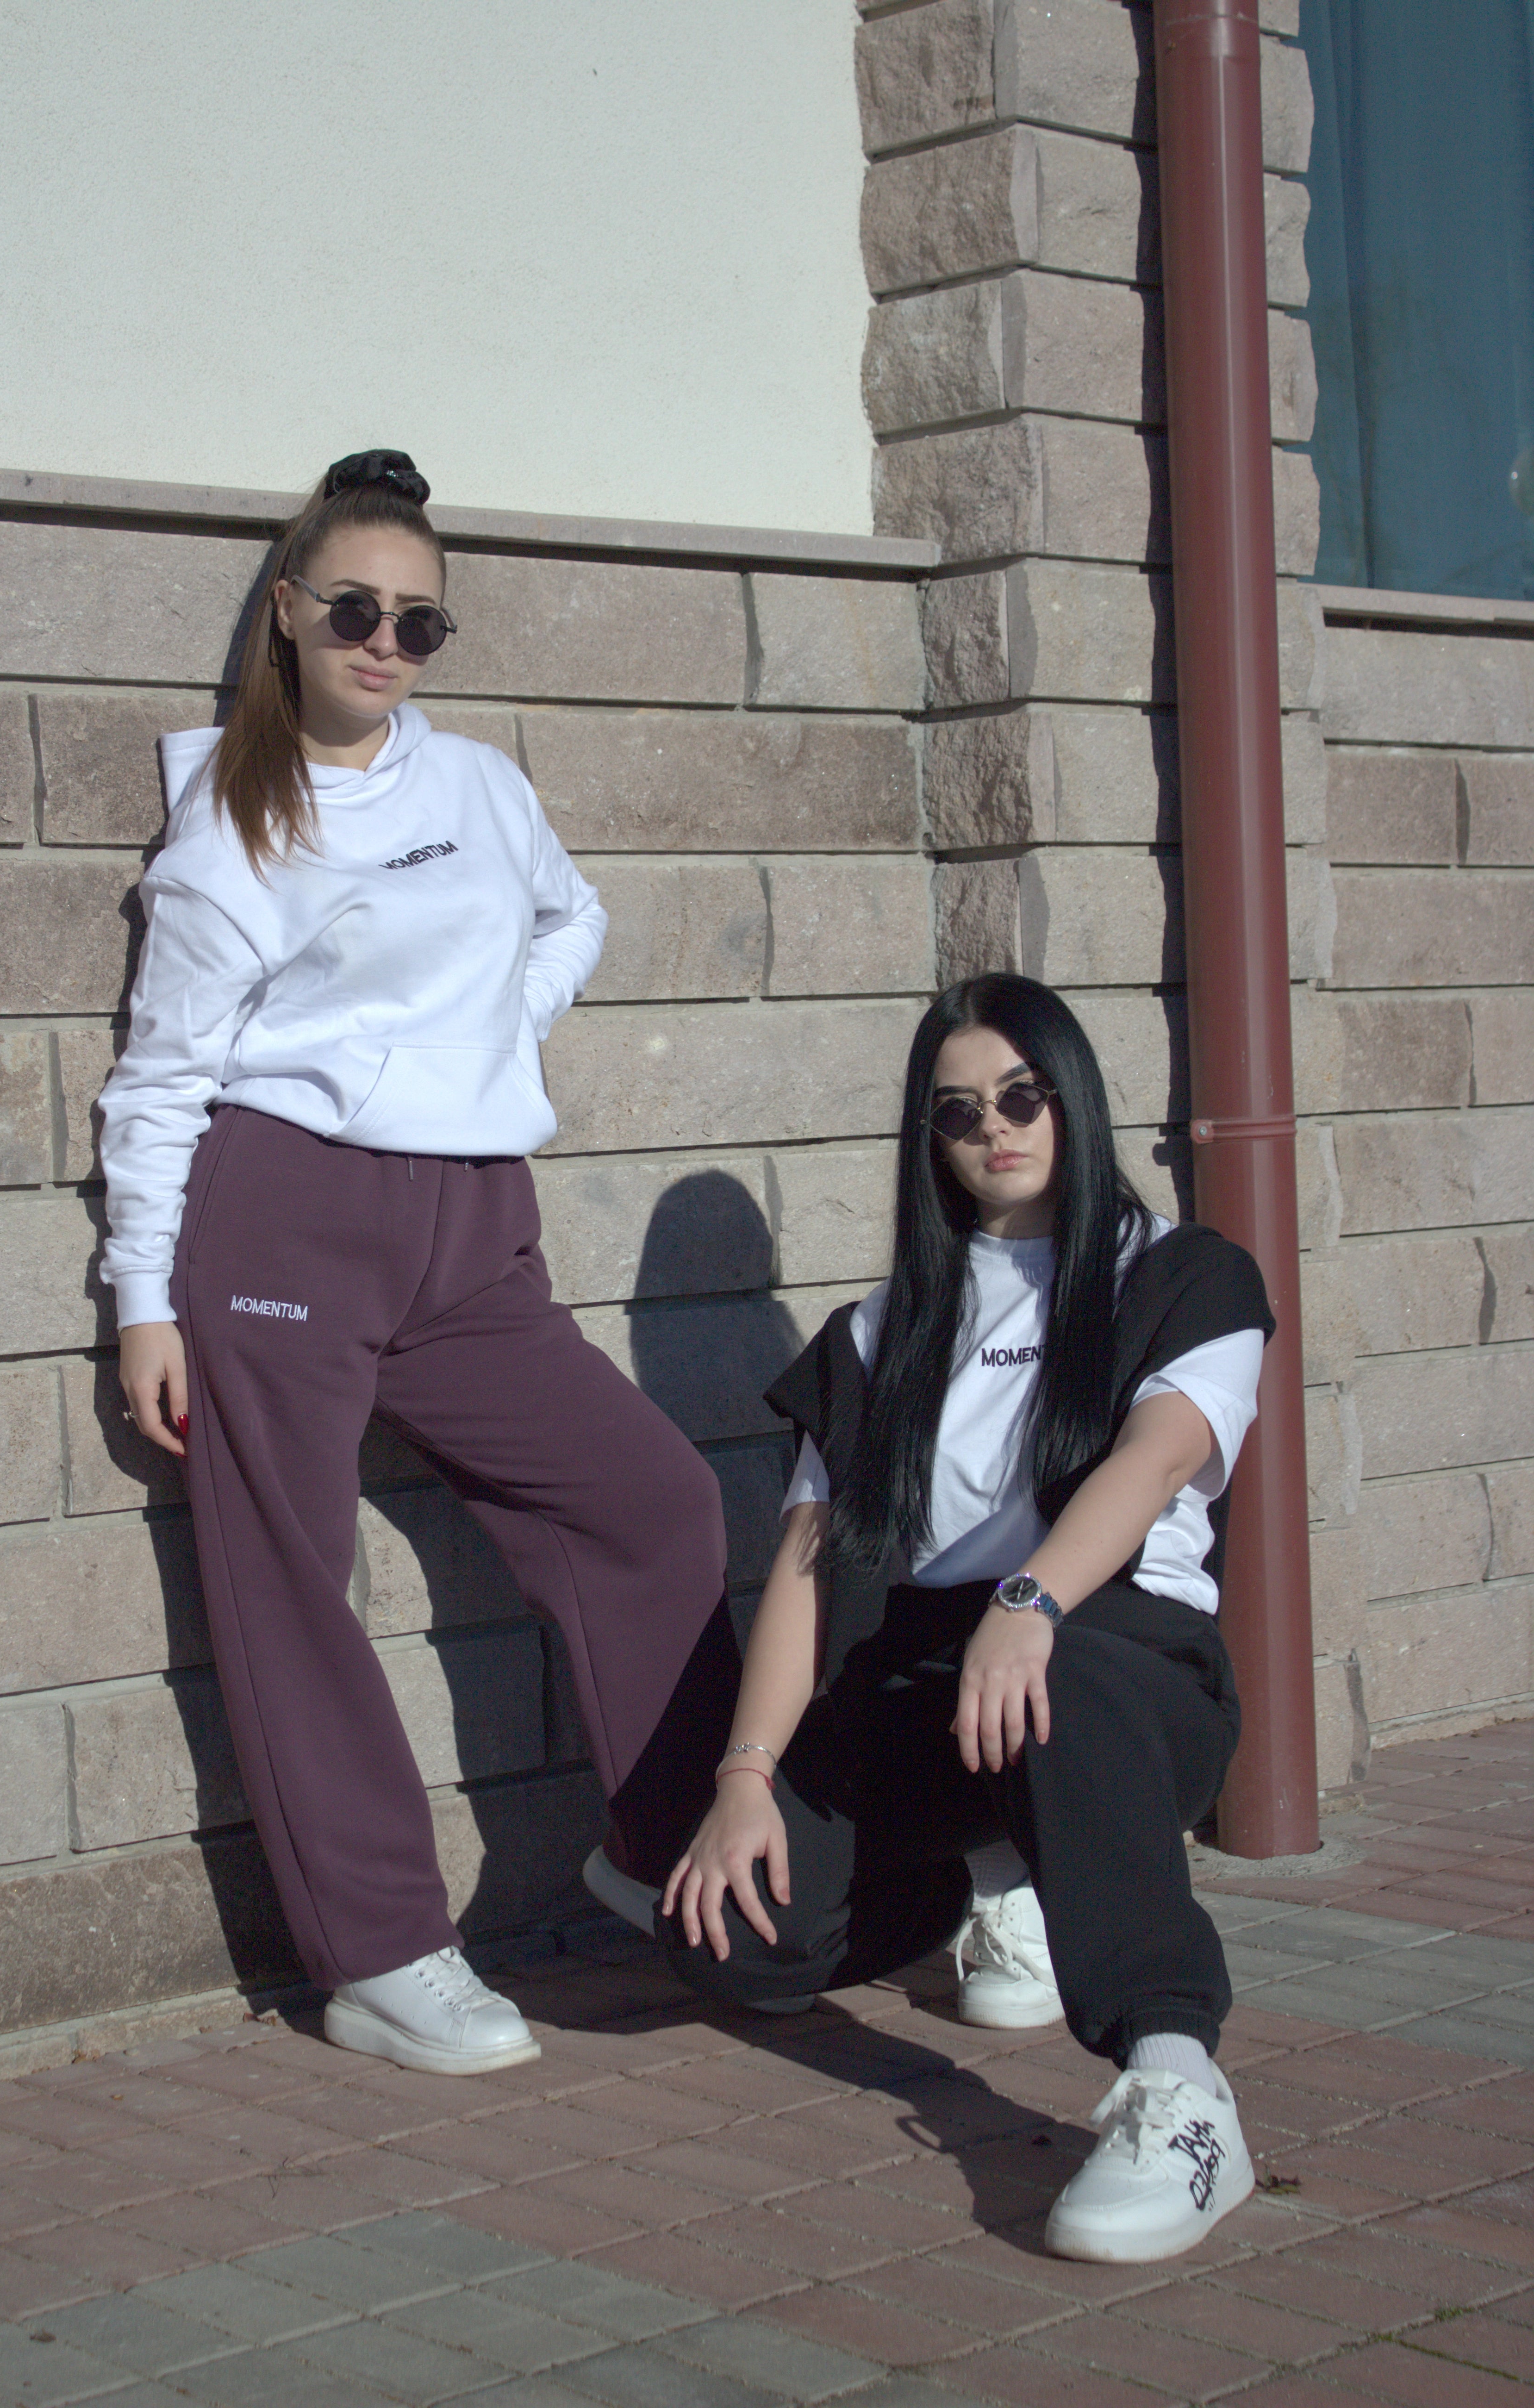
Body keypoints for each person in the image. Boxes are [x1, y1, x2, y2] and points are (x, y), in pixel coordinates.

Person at [103, 449, 735, 2079]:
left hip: (471, 1225)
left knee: (649, 1497)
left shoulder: (478, 787)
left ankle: (670, 1855)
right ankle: (379, 1952)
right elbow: (164, 1076)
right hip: (282, 1221)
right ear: (292, 616)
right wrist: (145, 1298)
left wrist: (482, 1041)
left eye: (422, 621)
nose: (388, 643)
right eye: (359, 611)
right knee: (292, 1579)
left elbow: (567, 918)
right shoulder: (234, 819)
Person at [647, 973, 1274, 2263]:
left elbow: (1156, 1457)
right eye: (957, 1110)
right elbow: (809, 1567)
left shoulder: (1183, 1274)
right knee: (726, 1932)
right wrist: (745, 1774)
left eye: (1022, 1095)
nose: (996, 1127)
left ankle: (1180, 2087)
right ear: (925, 1137)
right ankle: (983, 1871)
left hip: (1120, 1661)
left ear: (1071, 1097)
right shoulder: (882, 1333)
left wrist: (1032, 1597)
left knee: (1067, 1677)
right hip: (933, 1685)